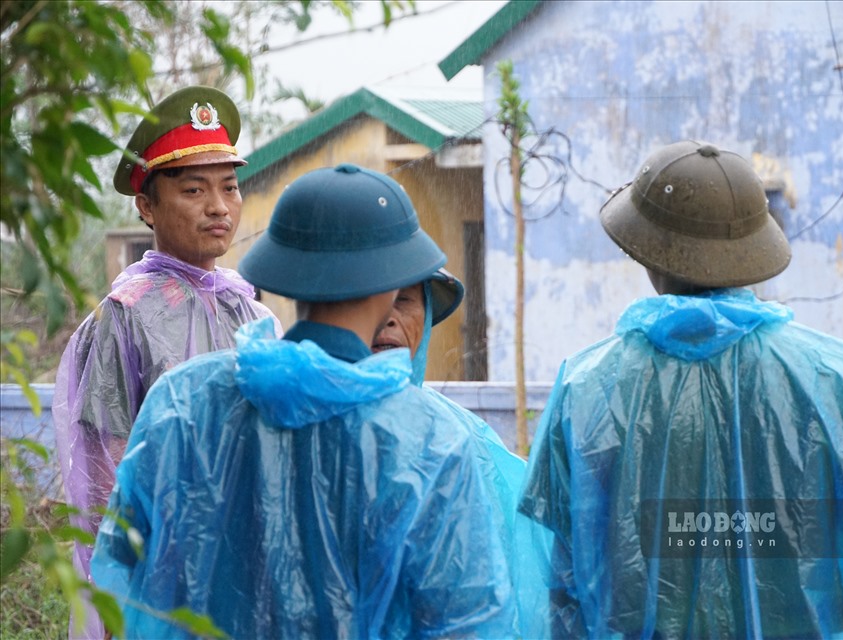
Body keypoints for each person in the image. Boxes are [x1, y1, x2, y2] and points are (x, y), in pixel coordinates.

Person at [518, 140, 843, 638]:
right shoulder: (834, 377)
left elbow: (567, 576)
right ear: (753, 251)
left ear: (645, 252)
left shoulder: (589, 387)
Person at [90, 164, 516, 639]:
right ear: (394, 280)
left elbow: (121, 569)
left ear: (288, 272)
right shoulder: (431, 440)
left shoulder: (183, 402)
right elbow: (468, 621)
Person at [52, 85, 278, 639]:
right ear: (146, 205)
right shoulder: (123, 317)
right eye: (195, 189)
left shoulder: (249, 310)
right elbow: (105, 474)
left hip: (248, 572)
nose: (219, 206)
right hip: (161, 579)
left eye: (229, 187)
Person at [372, 270, 550, 637]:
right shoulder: (300, 427)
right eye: (371, 296)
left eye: (404, 300)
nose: (388, 317)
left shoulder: (461, 439)